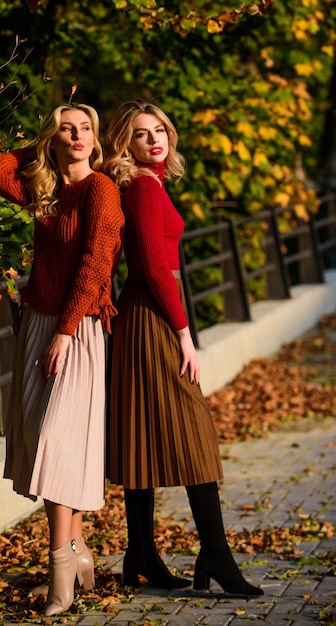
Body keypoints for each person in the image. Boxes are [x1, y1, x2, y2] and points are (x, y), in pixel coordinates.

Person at [104, 100, 263, 597]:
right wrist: (183, 334)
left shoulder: (148, 183)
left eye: (160, 131)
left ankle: (141, 554)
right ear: (123, 144)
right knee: (194, 434)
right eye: (140, 134)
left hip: (143, 315)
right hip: (152, 318)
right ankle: (213, 554)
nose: (154, 140)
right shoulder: (144, 188)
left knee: (142, 436)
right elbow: (153, 269)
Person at [0, 103, 124, 615]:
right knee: (43, 436)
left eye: (86, 128)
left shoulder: (101, 190)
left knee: (55, 440)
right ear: (53, 140)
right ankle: (78, 554)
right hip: (39, 321)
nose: (80, 136)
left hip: (78, 328)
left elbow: (94, 263)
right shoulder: (47, 192)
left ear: (96, 138)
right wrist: (41, 149)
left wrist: (64, 332)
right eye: (68, 129)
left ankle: (59, 565)